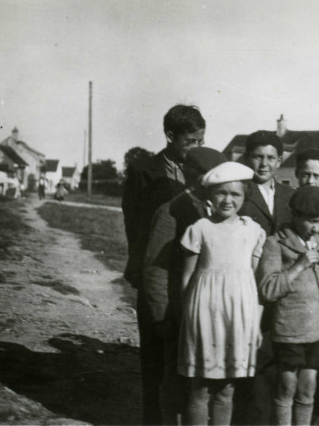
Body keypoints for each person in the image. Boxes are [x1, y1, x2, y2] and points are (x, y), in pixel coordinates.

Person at [122, 104, 206, 425]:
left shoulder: (200, 169)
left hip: (191, 270)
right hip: (156, 268)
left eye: (201, 140)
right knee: (156, 355)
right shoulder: (145, 171)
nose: (196, 147)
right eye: (190, 141)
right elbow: (135, 224)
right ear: (170, 136)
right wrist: (143, 270)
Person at [142, 147, 227, 425]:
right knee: (176, 382)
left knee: (205, 385)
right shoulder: (172, 211)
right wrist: (162, 317)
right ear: (195, 175)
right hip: (179, 314)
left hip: (211, 315)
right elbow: (155, 270)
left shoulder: (219, 211)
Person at [178, 162, 266, 426]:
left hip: (239, 315)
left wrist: (256, 323)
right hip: (204, 312)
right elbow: (186, 277)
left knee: (227, 388)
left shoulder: (253, 231)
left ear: (245, 196)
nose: (228, 200)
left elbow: (256, 280)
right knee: (200, 388)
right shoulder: (200, 228)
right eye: (221, 193)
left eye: (235, 194)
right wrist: (189, 316)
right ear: (210, 195)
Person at [256, 186, 319, 426]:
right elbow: (268, 289)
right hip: (290, 330)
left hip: (318, 329)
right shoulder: (275, 243)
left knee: (308, 387)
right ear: (295, 215)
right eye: (312, 222)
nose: (317, 228)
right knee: (286, 386)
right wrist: (299, 266)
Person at [239, 130, 294, 236]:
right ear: (246, 159)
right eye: (258, 157)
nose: (264, 164)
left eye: (270, 158)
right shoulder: (239, 192)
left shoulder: (290, 195)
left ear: (279, 161)